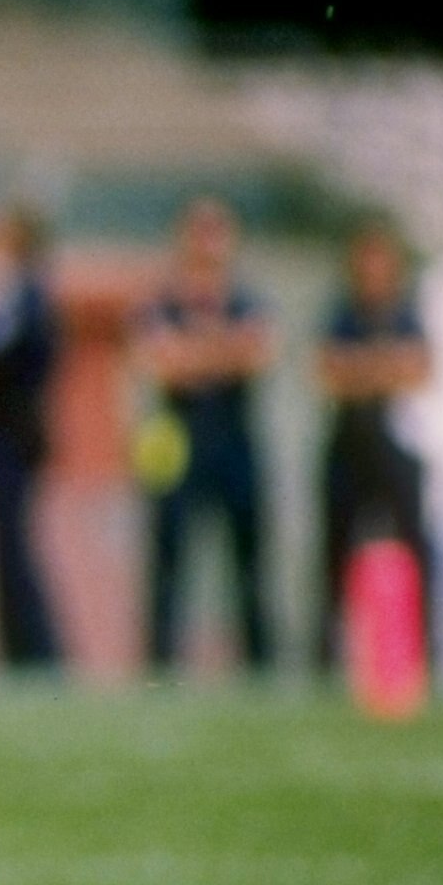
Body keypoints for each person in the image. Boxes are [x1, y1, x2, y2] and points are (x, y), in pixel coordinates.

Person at [137, 197, 274, 674]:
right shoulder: (164, 300)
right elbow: (164, 364)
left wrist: (195, 351)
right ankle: (160, 669)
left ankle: (260, 668)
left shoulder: (246, 296)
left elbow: (257, 355)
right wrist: (224, 348)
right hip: (178, 442)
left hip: (235, 440)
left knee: (250, 561)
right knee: (170, 561)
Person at [316, 220, 431, 670]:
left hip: (396, 448)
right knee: (335, 557)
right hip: (349, 446)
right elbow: (328, 372)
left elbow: (421, 370)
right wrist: (385, 366)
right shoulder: (342, 314)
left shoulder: (406, 313)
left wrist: (359, 369)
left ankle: (421, 656)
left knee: (413, 550)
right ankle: (327, 660)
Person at [0, 204, 64, 670]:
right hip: (7, 432)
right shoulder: (19, 292)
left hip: (14, 433)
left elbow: (3, 350)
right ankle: (16, 649)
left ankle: (36, 651)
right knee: (6, 546)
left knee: (15, 546)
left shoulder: (24, 295)